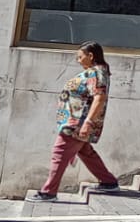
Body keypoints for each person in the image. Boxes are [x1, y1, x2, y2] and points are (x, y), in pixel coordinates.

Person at [36, 42, 119, 200]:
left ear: (90, 56)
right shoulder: (94, 72)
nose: (78, 60)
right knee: (86, 152)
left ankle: (49, 192)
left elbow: (99, 97)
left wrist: (88, 122)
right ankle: (109, 182)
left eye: (80, 57)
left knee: (59, 154)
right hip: (75, 121)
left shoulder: (96, 73)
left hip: (76, 123)